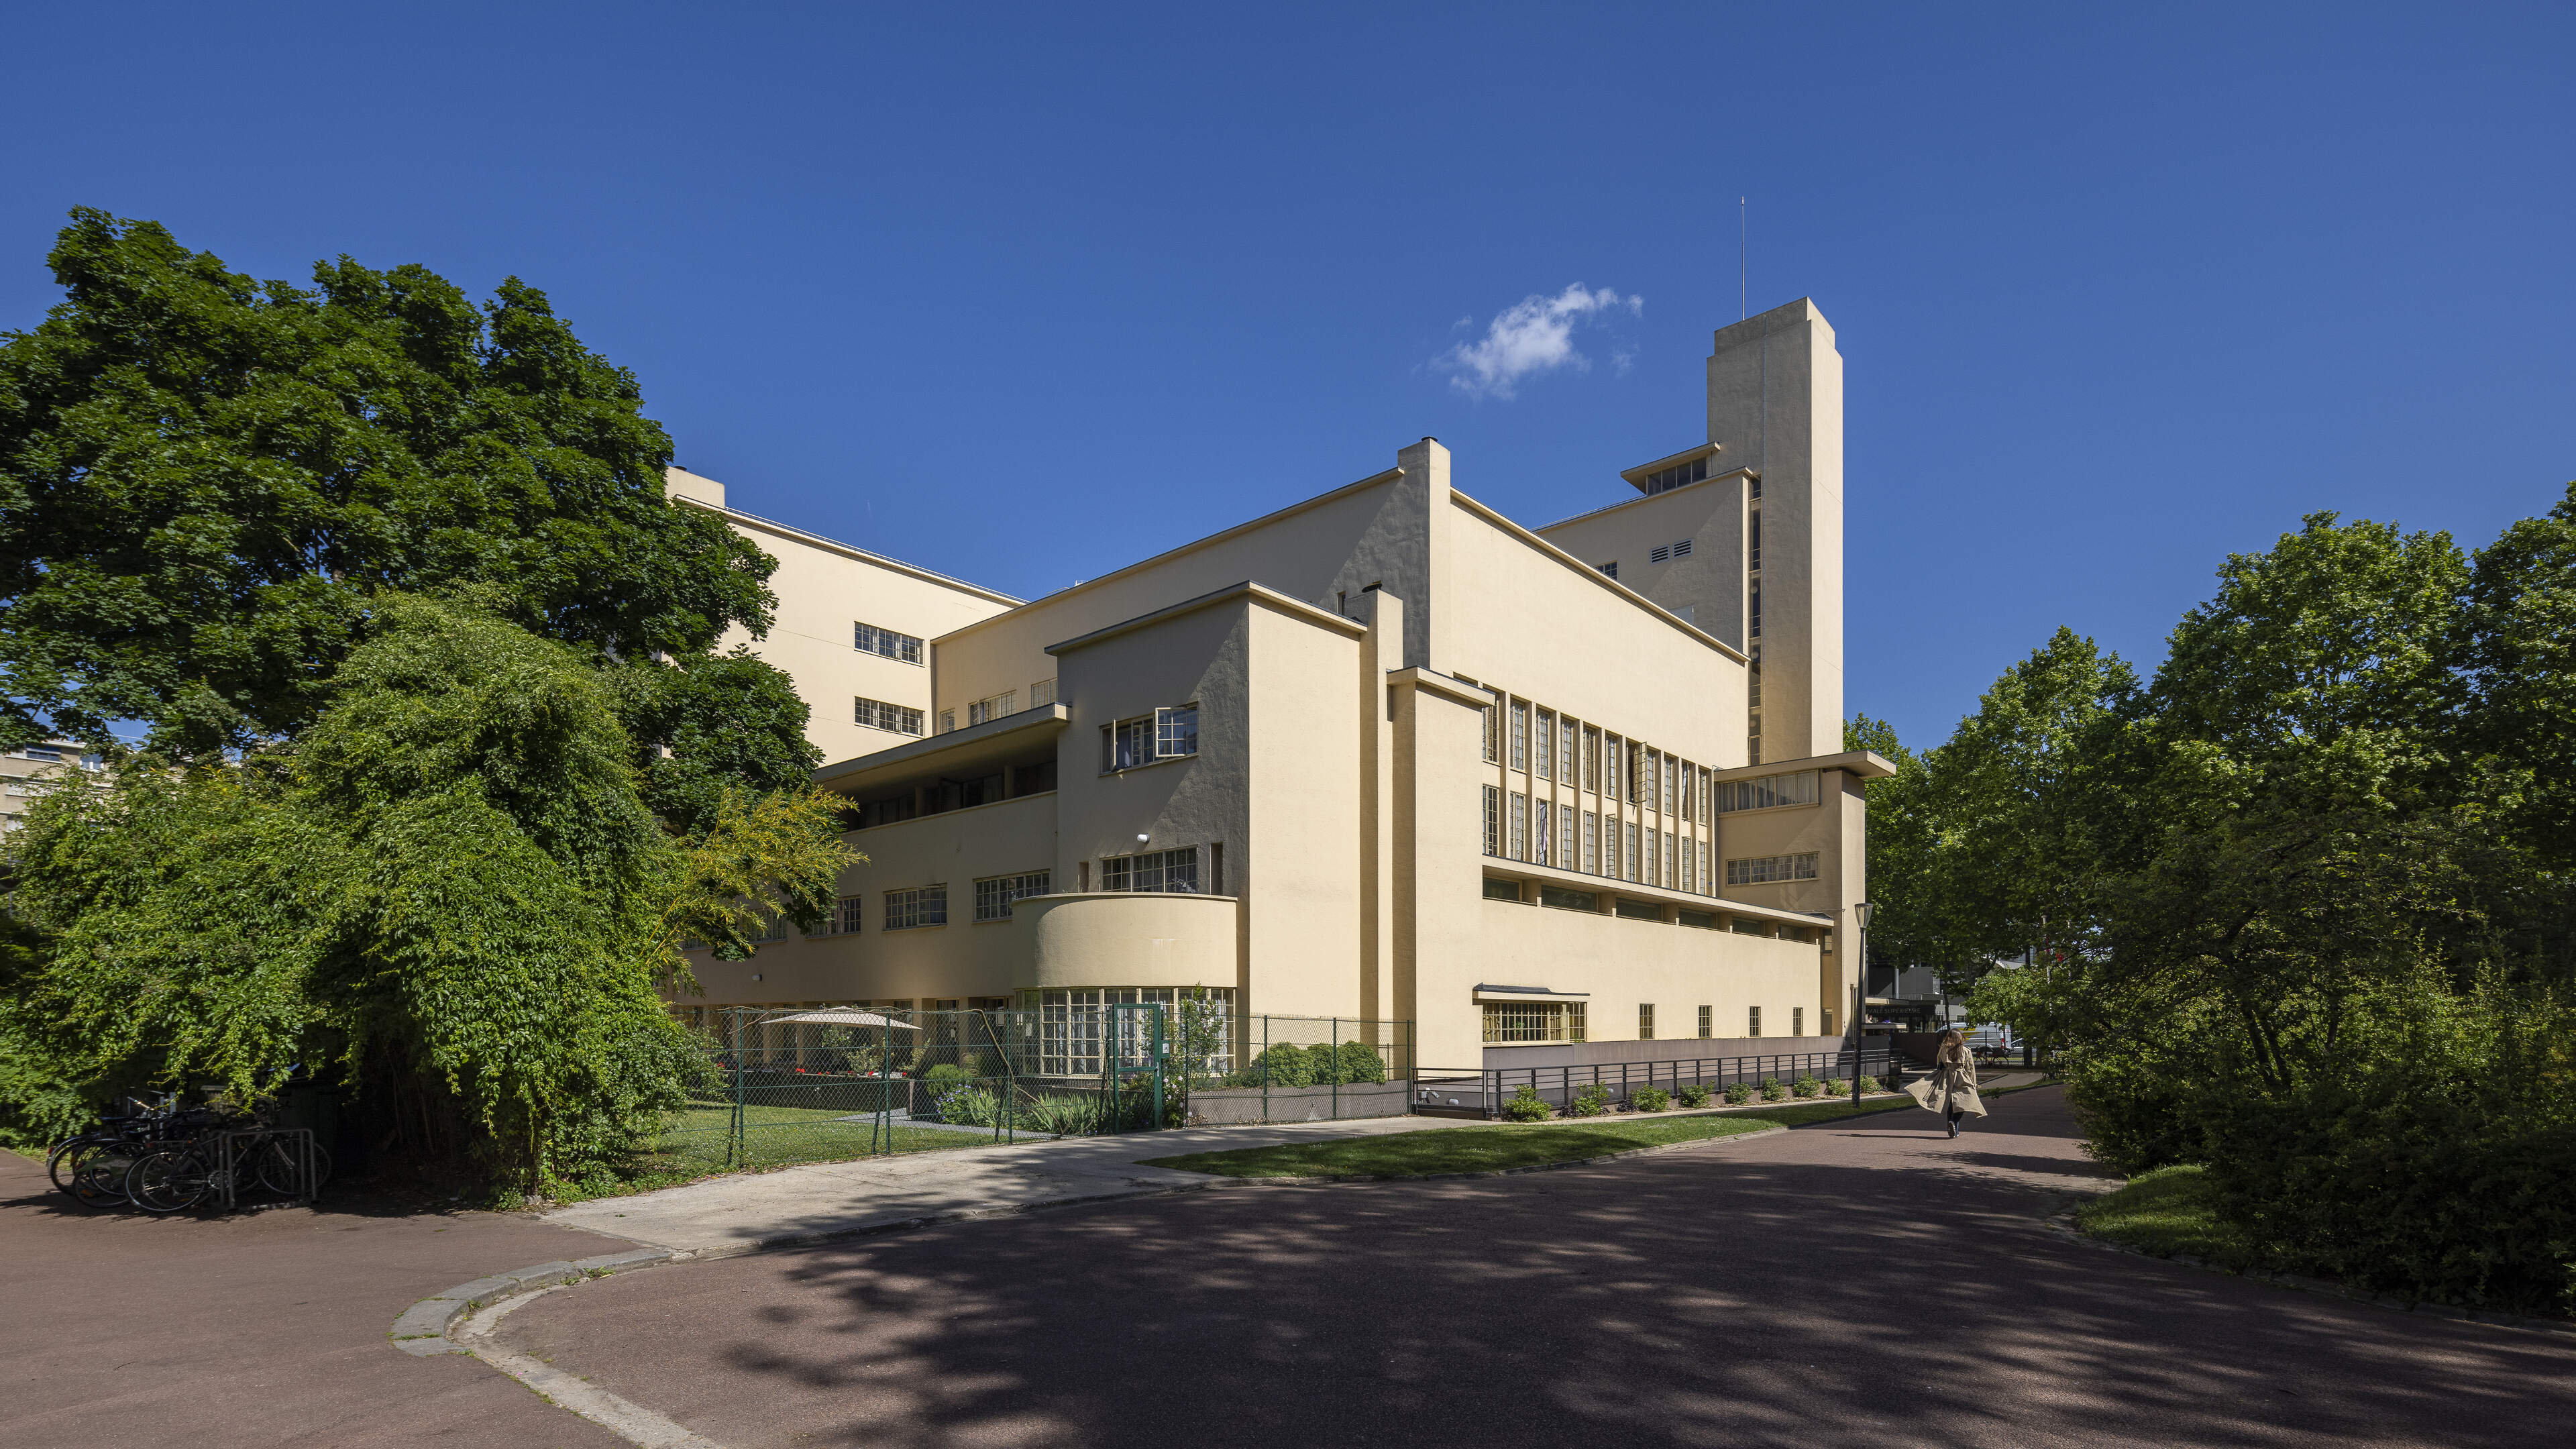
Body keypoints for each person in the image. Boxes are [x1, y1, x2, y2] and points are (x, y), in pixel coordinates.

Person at [1904, 1028, 1987, 1137]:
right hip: (1961, 1078)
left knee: (1949, 1103)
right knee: (1965, 1102)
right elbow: (1970, 1069)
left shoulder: (1943, 1049)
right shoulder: (1966, 1051)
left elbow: (1939, 1063)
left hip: (1946, 1077)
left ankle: (1951, 1126)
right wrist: (1974, 1084)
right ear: (1960, 1038)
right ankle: (1954, 1122)